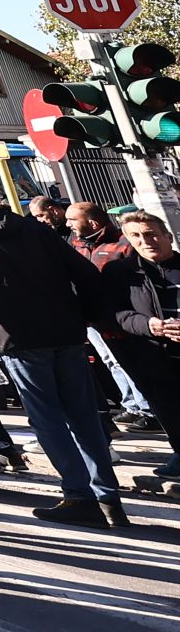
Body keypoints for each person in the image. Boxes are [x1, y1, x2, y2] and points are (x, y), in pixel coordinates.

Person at [0, 173, 126, 526]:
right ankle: (108, 498)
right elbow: (83, 272)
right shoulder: (32, 228)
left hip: (15, 336)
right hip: (64, 330)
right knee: (83, 415)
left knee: (47, 418)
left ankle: (79, 495)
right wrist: (82, 315)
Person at [106, 210, 180, 490]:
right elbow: (113, 314)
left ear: (167, 236)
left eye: (151, 234)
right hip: (154, 354)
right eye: (136, 236)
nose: (145, 241)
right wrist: (148, 325)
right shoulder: (120, 272)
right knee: (170, 410)